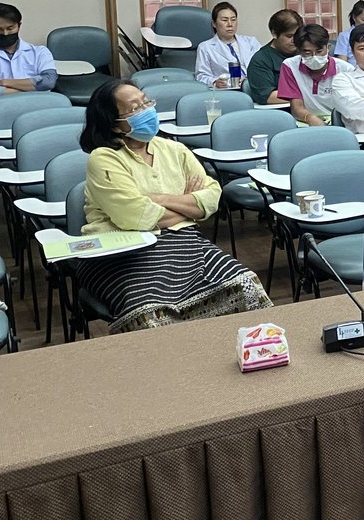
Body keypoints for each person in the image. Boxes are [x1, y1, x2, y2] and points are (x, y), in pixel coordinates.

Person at [74, 79, 273, 333]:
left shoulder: (174, 149)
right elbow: (135, 217)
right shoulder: (103, 159)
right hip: (121, 253)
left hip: (182, 241)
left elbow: (211, 198)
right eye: (135, 108)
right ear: (114, 125)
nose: (146, 110)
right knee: (150, 312)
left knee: (246, 285)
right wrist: (186, 205)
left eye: (146, 102)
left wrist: (157, 199)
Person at [0, 2, 56, 108]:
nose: (5, 33)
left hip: (38, 109)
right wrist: (34, 87)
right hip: (1, 112)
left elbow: (48, 82)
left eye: (10, 28)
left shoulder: (40, 52)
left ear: (19, 26)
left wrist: (5, 82)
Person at [278, 22, 350, 126]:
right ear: (299, 51)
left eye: (319, 51)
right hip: (306, 120)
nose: (314, 56)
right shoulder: (289, 66)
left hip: (339, 121)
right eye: (307, 53)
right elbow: (297, 107)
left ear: (328, 48)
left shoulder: (345, 69)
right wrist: (310, 118)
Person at [194, 2, 260, 88]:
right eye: (224, 20)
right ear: (214, 23)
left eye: (233, 19)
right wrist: (214, 82)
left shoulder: (251, 42)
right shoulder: (205, 47)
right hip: (227, 90)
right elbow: (201, 75)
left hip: (254, 87)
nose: (230, 24)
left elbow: (264, 67)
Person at [245, 9, 302, 104]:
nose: (294, 40)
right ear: (274, 34)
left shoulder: (305, 52)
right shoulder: (261, 59)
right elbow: (269, 97)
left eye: (297, 35)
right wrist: (307, 95)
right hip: (279, 110)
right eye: (289, 36)